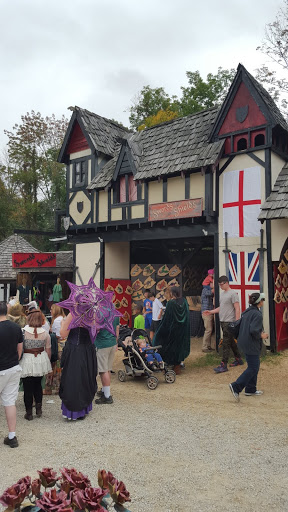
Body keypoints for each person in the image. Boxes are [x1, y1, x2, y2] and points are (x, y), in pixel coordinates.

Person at [229, 293, 269, 402]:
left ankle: (250, 389)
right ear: (259, 301)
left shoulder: (248, 311)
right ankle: (236, 386)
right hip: (251, 343)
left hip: (244, 342)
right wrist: (262, 335)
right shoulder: (257, 314)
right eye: (262, 300)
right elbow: (254, 330)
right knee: (253, 367)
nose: (263, 301)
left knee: (253, 365)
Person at [59, 313, 97, 419]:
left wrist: (63, 324)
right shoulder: (92, 314)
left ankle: (74, 412)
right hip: (88, 350)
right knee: (85, 378)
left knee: (73, 380)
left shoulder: (73, 314)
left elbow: (63, 334)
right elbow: (95, 333)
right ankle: (83, 409)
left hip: (75, 350)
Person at [203, 275, 243, 373]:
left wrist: (236, 322)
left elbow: (237, 308)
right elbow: (222, 308)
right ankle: (238, 359)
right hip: (223, 321)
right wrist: (211, 312)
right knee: (231, 341)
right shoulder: (222, 294)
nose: (220, 286)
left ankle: (223, 364)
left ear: (226, 283)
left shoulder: (233, 294)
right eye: (219, 285)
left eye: (221, 284)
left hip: (230, 322)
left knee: (225, 343)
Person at [20, 309, 52, 420]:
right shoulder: (45, 333)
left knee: (27, 387)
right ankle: (39, 407)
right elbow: (48, 350)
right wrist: (47, 363)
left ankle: (29, 412)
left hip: (27, 359)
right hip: (40, 359)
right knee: (38, 385)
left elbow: (19, 348)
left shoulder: (23, 331)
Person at [0, 302, 23, 448]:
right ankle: (12, 436)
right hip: (13, 367)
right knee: (9, 402)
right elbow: (19, 349)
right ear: (6, 311)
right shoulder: (16, 328)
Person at [153, 287, 190, 374]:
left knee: (168, 346)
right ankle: (177, 364)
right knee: (179, 347)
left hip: (173, 330)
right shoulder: (184, 301)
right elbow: (187, 316)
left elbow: (167, 319)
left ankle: (173, 364)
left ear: (172, 293)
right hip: (182, 330)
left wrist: (160, 330)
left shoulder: (171, 303)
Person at [94, 316, 120, 405]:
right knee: (107, 368)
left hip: (102, 344)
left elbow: (96, 329)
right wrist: (116, 342)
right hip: (112, 342)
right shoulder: (114, 311)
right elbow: (117, 328)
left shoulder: (99, 313)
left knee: (103, 370)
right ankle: (105, 390)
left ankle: (107, 396)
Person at [44, 305, 66, 395]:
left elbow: (58, 335)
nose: (50, 310)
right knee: (60, 367)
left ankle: (53, 387)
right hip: (63, 345)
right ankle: (59, 387)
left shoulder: (57, 320)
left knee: (55, 367)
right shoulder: (63, 318)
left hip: (58, 346)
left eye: (52, 309)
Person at [201, 276, 214, 352]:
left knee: (210, 329)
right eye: (212, 283)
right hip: (206, 313)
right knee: (208, 330)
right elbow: (212, 292)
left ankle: (208, 346)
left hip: (209, 311)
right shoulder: (205, 290)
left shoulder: (206, 289)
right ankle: (205, 347)